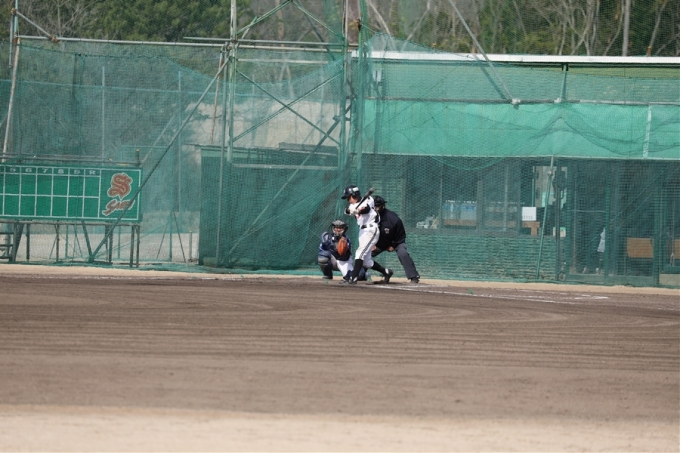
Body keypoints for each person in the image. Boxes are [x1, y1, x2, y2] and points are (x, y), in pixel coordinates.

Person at [340, 185, 393, 285]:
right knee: (366, 262)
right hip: (362, 231)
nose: (348, 199)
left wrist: (358, 210)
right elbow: (347, 210)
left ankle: (353, 279)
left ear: (353, 195)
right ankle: (386, 272)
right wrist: (351, 210)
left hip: (371, 229)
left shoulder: (368, 199)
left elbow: (366, 209)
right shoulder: (352, 205)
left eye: (348, 197)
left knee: (359, 253)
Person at [372, 196, 421, 284]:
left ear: (383, 206)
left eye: (378, 206)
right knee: (363, 255)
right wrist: (371, 244)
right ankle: (380, 273)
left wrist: (393, 245)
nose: (376, 208)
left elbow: (401, 235)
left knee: (403, 253)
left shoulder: (393, 219)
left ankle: (414, 277)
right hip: (378, 242)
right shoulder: (369, 217)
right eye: (374, 206)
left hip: (396, 242)